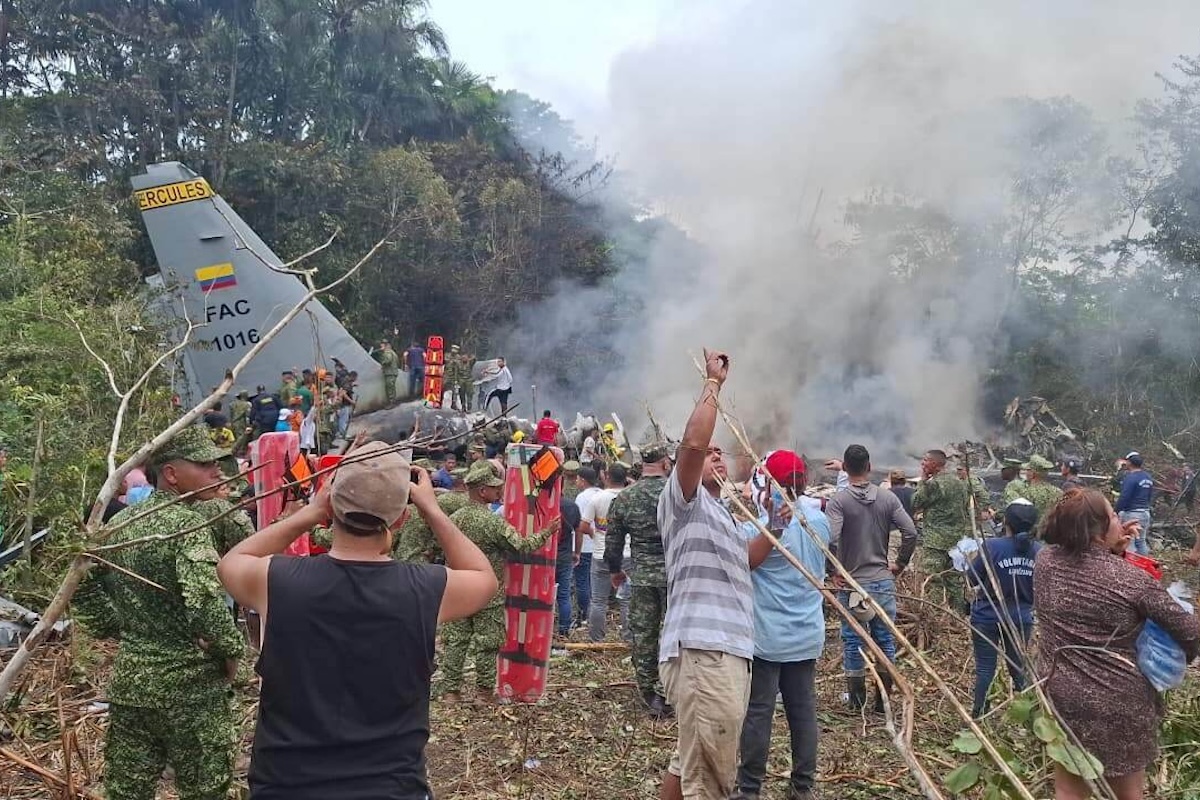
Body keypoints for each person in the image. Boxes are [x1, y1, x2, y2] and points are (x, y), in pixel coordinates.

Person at [217, 441, 499, 799]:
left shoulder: (278, 581)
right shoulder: (426, 588)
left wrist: (307, 513)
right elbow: (483, 576)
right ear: (400, 518)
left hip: (287, 784)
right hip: (390, 787)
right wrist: (432, 510)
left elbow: (231, 563)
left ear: (332, 505)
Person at [72, 427, 244, 800]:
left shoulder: (120, 525)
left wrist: (118, 627)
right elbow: (205, 606)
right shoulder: (186, 527)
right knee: (205, 790)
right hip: (190, 690)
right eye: (204, 464)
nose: (216, 471)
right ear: (171, 474)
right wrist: (230, 653)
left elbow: (80, 583)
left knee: (127, 791)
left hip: (132, 683)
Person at [1035, 489, 1200, 800]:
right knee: (1127, 794)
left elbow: (1089, 578)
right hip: (1119, 702)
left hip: (1060, 692)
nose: (1120, 521)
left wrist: (1115, 551)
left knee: (1069, 789)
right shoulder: (1131, 580)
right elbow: (1190, 631)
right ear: (1097, 529)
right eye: (1113, 516)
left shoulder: (1045, 561)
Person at [658, 349, 771, 800]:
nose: (717, 459)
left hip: (728, 650)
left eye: (723, 456)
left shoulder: (723, 513)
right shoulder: (683, 502)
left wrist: (776, 525)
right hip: (706, 650)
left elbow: (745, 561)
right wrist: (713, 386)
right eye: (712, 455)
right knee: (710, 777)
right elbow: (692, 444)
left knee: (693, 759)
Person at [732, 449, 827, 800]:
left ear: (769, 483)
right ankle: (802, 788)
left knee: (758, 712)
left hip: (767, 638)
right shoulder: (819, 523)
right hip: (806, 633)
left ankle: (749, 789)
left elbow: (745, 563)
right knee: (803, 711)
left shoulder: (758, 527)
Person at [441, 460, 553, 700]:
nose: (499, 492)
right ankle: (483, 692)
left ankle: (451, 692)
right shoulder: (491, 521)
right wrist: (547, 532)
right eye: (494, 488)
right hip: (486, 591)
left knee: (456, 641)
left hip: (457, 587)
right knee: (487, 643)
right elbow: (522, 546)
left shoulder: (454, 519)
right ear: (483, 491)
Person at [825, 444, 918, 710]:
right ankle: (883, 701)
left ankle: (856, 701)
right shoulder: (887, 498)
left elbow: (830, 538)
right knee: (884, 639)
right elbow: (910, 532)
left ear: (845, 466)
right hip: (883, 581)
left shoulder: (839, 501)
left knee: (854, 639)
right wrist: (899, 564)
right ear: (869, 466)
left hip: (854, 584)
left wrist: (834, 570)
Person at [607, 441, 672, 717]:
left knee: (644, 634)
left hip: (642, 575)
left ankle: (649, 691)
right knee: (675, 634)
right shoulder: (676, 494)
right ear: (666, 464)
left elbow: (613, 544)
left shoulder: (624, 498)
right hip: (676, 576)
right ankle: (674, 688)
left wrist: (616, 571)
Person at [966, 500, 1041, 718]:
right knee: (1018, 667)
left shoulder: (992, 546)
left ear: (1005, 521)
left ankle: (979, 716)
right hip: (1020, 618)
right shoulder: (1040, 552)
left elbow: (972, 578)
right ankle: (1032, 718)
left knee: (985, 668)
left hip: (986, 617)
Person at [912, 449, 971, 611]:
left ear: (935, 464)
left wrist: (923, 480)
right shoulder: (959, 483)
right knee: (954, 580)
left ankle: (934, 616)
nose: (922, 464)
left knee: (932, 580)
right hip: (956, 540)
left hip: (935, 541)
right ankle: (959, 616)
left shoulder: (933, 484)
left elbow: (916, 501)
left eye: (925, 460)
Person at [585, 463, 628, 642]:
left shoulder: (597, 499)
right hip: (627, 553)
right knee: (627, 600)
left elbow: (583, 525)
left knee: (598, 600)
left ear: (606, 477)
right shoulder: (629, 498)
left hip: (600, 554)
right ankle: (629, 638)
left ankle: (596, 639)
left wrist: (596, 535)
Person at [570, 466, 603, 629]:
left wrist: (576, 549)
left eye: (577, 479)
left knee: (582, 581)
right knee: (595, 581)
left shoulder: (582, 498)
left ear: (582, 480)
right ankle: (596, 614)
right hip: (601, 545)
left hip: (585, 546)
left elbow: (580, 525)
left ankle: (584, 613)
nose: (576, 482)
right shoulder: (602, 494)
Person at [1115, 451, 1154, 556]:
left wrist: (1115, 511)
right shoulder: (1148, 477)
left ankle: (1130, 568)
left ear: (1130, 463)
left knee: (1129, 542)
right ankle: (1143, 567)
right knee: (1141, 541)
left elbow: (1124, 497)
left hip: (1132, 514)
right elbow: (1150, 495)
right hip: (1145, 513)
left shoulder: (1130, 477)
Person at [1004, 455, 1063, 519]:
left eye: (1028, 470)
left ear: (1032, 474)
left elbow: (1012, 511)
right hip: (1047, 528)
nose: (1026, 472)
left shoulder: (1020, 489)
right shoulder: (1058, 493)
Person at [377, 340, 400, 404]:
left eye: (382, 345)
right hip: (393, 372)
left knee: (389, 388)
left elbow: (388, 360)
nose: (381, 346)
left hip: (390, 373)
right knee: (392, 388)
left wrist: (383, 363)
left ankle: (391, 403)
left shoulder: (387, 352)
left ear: (386, 345)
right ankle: (393, 402)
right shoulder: (393, 353)